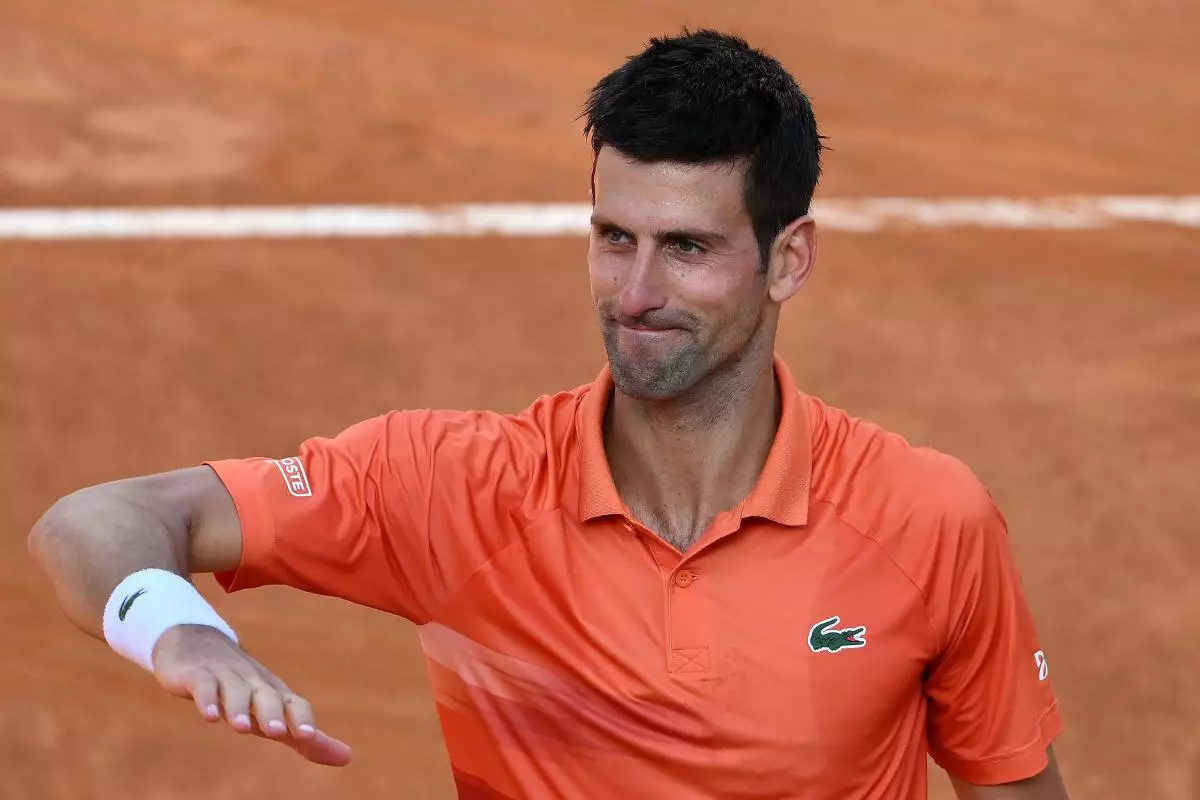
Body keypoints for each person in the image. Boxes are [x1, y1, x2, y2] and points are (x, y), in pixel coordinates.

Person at [28, 29, 1069, 800]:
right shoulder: (453, 486)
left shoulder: (927, 519)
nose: (636, 290)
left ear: (787, 258)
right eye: (614, 236)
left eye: (688, 247)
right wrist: (184, 632)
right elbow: (93, 519)